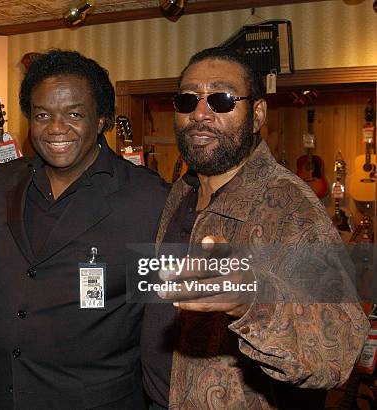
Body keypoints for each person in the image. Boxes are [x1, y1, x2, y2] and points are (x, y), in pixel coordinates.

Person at [141, 47, 370, 409]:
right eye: (187, 100)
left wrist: (252, 300)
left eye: (222, 99)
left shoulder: (291, 207)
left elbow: (340, 347)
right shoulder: (182, 190)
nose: (200, 113)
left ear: (257, 114)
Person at [0, 49, 169, 409]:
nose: (56, 128)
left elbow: (175, 310)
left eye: (74, 114)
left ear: (100, 119)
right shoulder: (1, 184)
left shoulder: (147, 200)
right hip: (1, 396)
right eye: (42, 115)